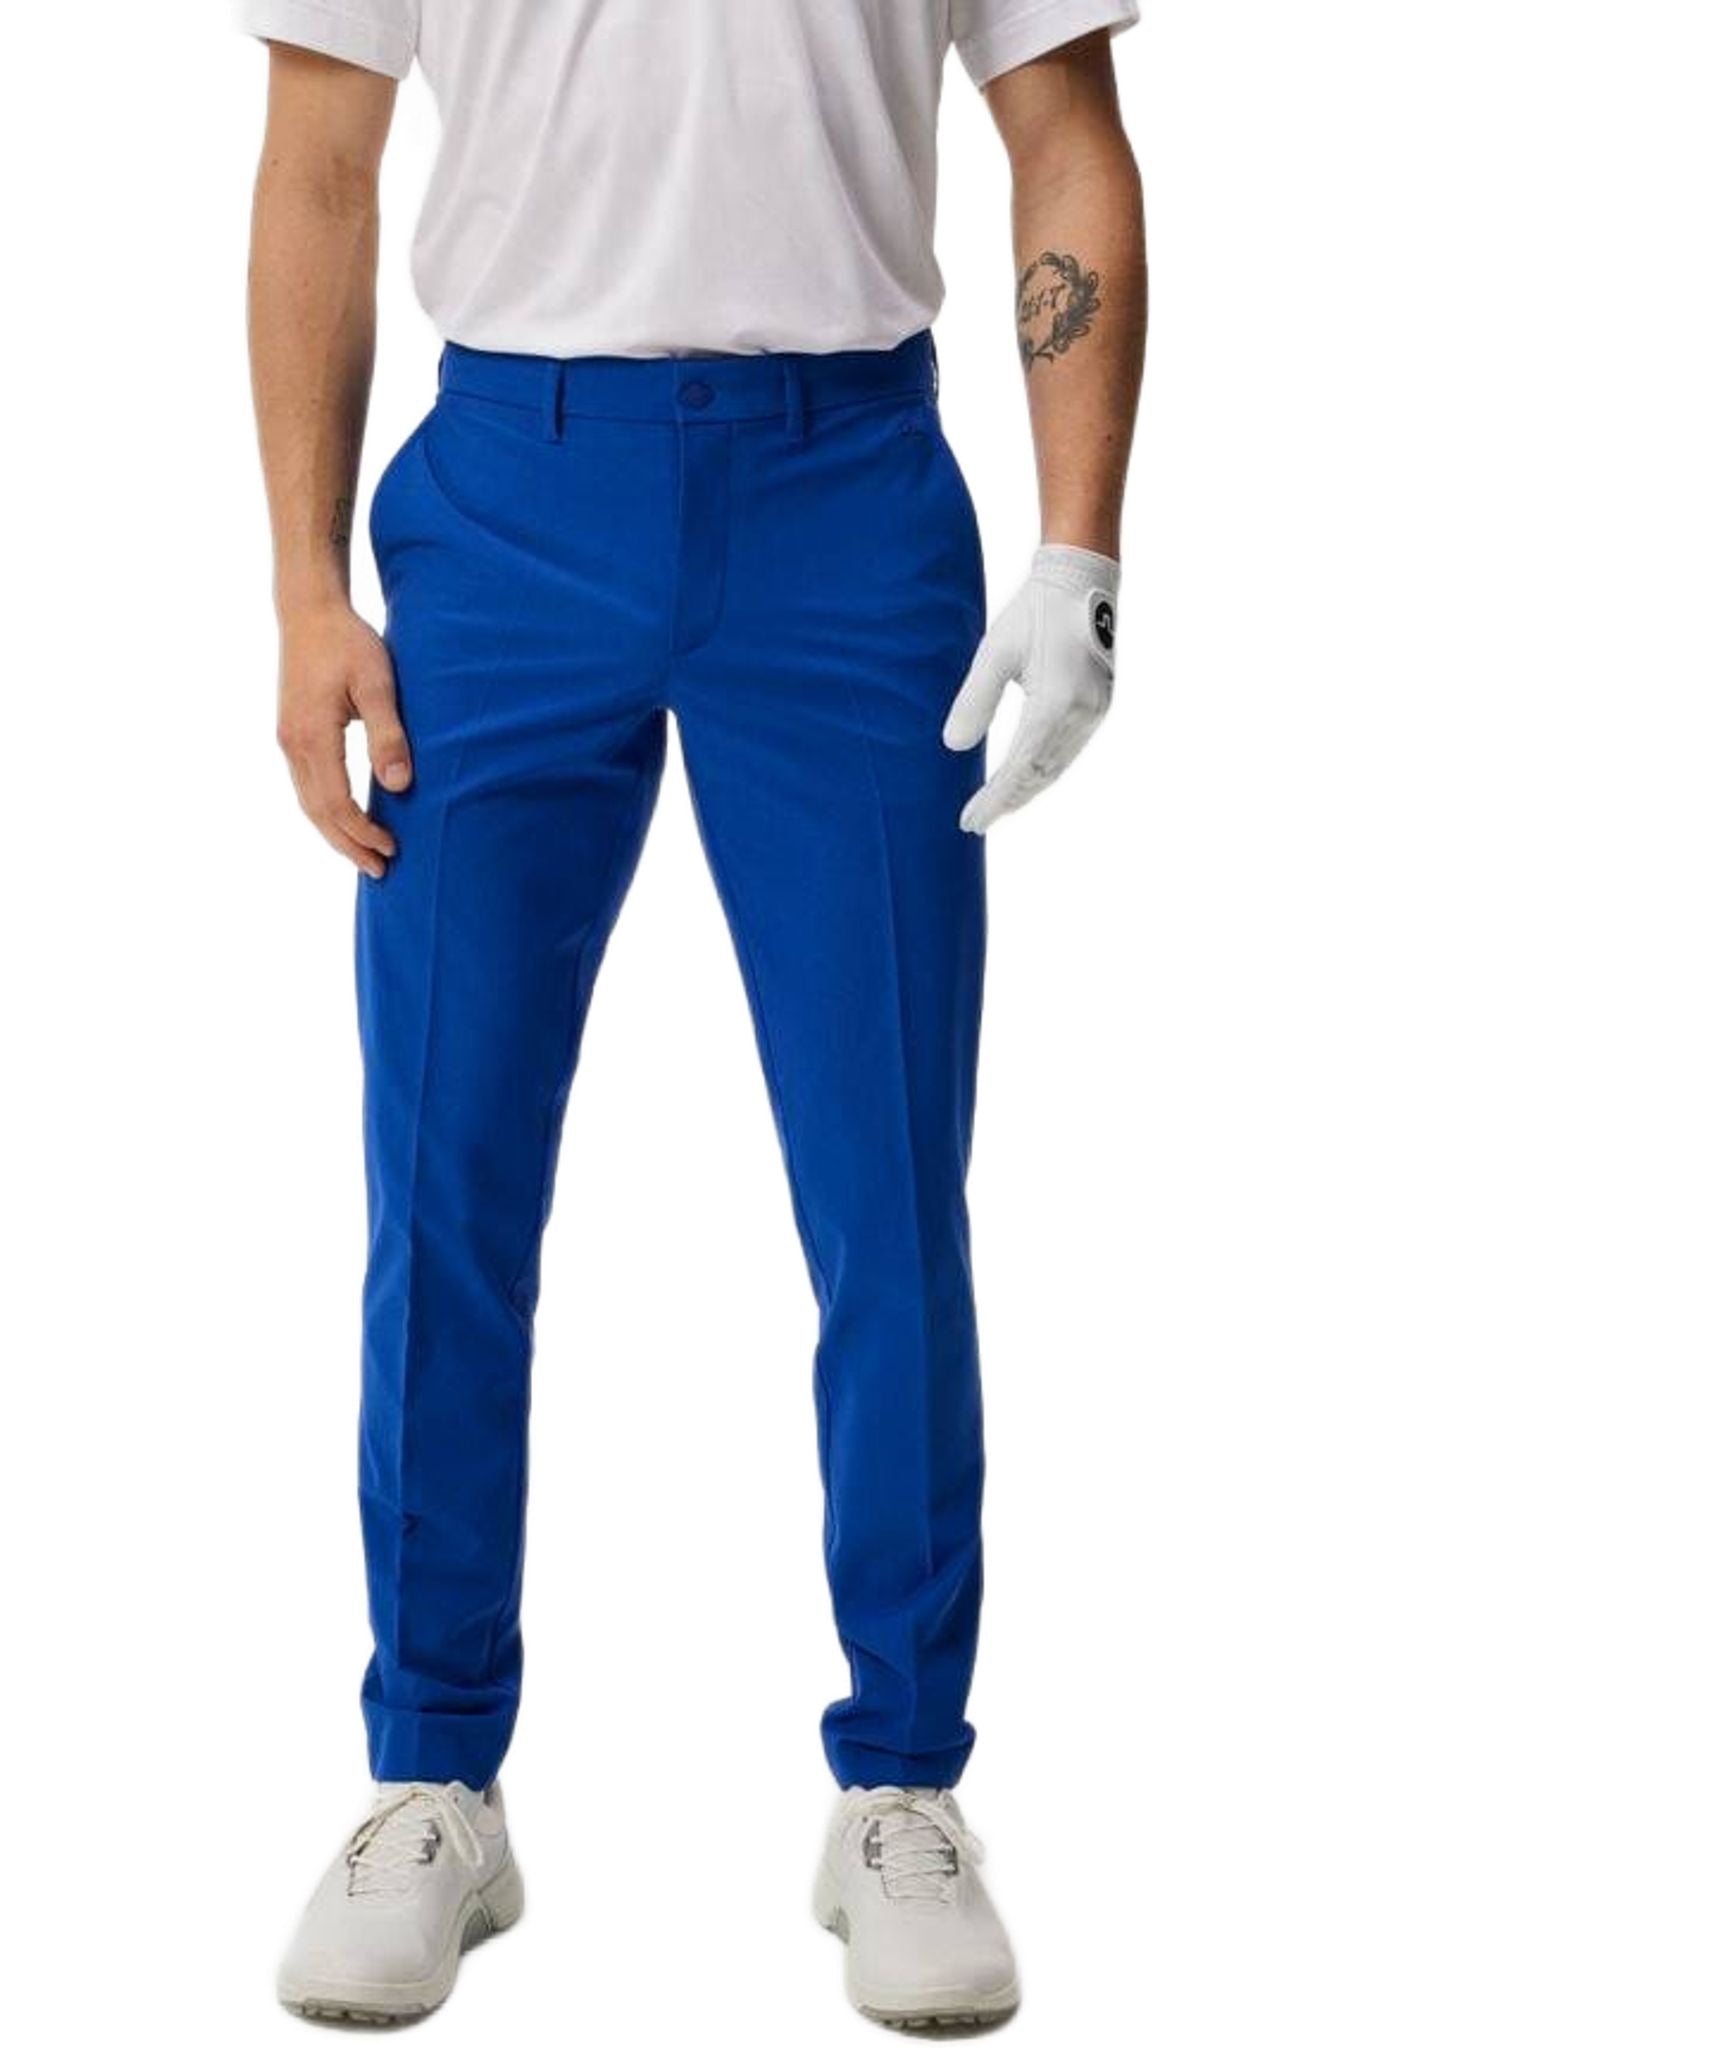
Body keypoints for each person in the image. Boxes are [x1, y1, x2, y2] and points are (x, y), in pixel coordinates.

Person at [241, 0, 1146, 2025]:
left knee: (886, 1190)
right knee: (447, 1181)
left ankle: (902, 1784)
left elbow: (1064, 131)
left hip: (849, 496)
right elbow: (319, 164)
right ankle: (431, 1774)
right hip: (507, 503)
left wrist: (1079, 545)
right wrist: (305, 595)